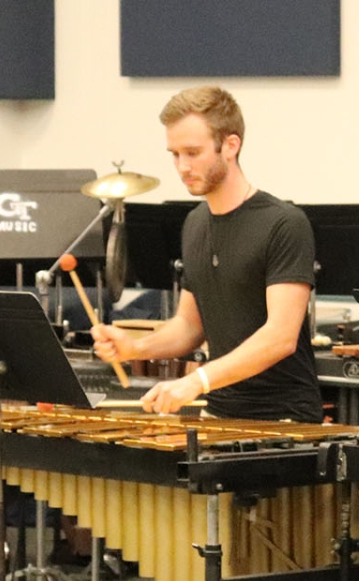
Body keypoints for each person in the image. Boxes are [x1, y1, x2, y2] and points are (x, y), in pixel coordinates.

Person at [92, 86, 320, 422]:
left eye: (192, 153)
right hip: (219, 413)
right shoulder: (195, 222)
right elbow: (188, 325)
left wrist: (196, 381)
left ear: (231, 145)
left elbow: (280, 337)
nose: (181, 166)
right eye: (174, 154)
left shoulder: (283, 223)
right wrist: (135, 347)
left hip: (283, 419)